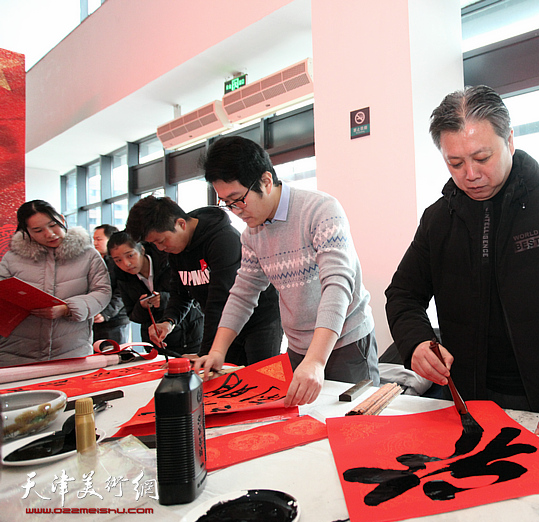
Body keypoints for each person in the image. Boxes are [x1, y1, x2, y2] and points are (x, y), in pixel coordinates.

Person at [385, 86, 539, 456]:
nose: (471, 174)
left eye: (482, 157)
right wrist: (416, 341)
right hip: (469, 399)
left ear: (509, 139)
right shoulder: (438, 220)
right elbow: (403, 295)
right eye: (455, 163)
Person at [192, 136, 379, 406]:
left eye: (237, 200)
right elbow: (243, 293)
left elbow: (337, 285)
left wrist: (316, 360)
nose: (235, 212)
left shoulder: (321, 210)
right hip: (298, 348)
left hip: (345, 344)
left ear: (266, 182)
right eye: (226, 203)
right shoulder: (252, 234)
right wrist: (218, 350)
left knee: (355, 424)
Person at [125, 195, 282, 366]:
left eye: (161, 241)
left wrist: (205, 352)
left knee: (260, 378)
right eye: (154, 244)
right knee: (226, 380)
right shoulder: (176, 251)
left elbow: (220, 300)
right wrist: (168, 321)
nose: (161, 248)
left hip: (259, 320)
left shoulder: (223, 239)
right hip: (223, 325)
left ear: (181, 224)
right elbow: (181, 293)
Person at [0, 200, 111, 366]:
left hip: (72, 352)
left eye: (53, 225)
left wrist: (68, 309)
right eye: (38, 230)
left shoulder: (88, 254)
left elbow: (103, 292)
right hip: (17, 353)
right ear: (26, 232)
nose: (49, 234)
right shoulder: (12, 258)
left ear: (62, 220)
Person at [107, 231, 204, 354]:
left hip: (189, 336)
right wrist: (142, 306)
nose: (126, 263)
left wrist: (163, 299)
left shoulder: (169, 262)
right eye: (118, 260)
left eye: (130, 255)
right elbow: (132, 315)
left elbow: (191, 297)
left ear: (141, 250)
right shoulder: (123, 278)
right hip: (154, 344)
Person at [92, 224, 130, 343]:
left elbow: (122, 292)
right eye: (93, 239)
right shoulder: (96, 262)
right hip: (97, 320)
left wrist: (106, 313)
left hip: (115, 320)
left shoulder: (119, 263)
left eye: (99, 239)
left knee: (115, 356)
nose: (95, 243)